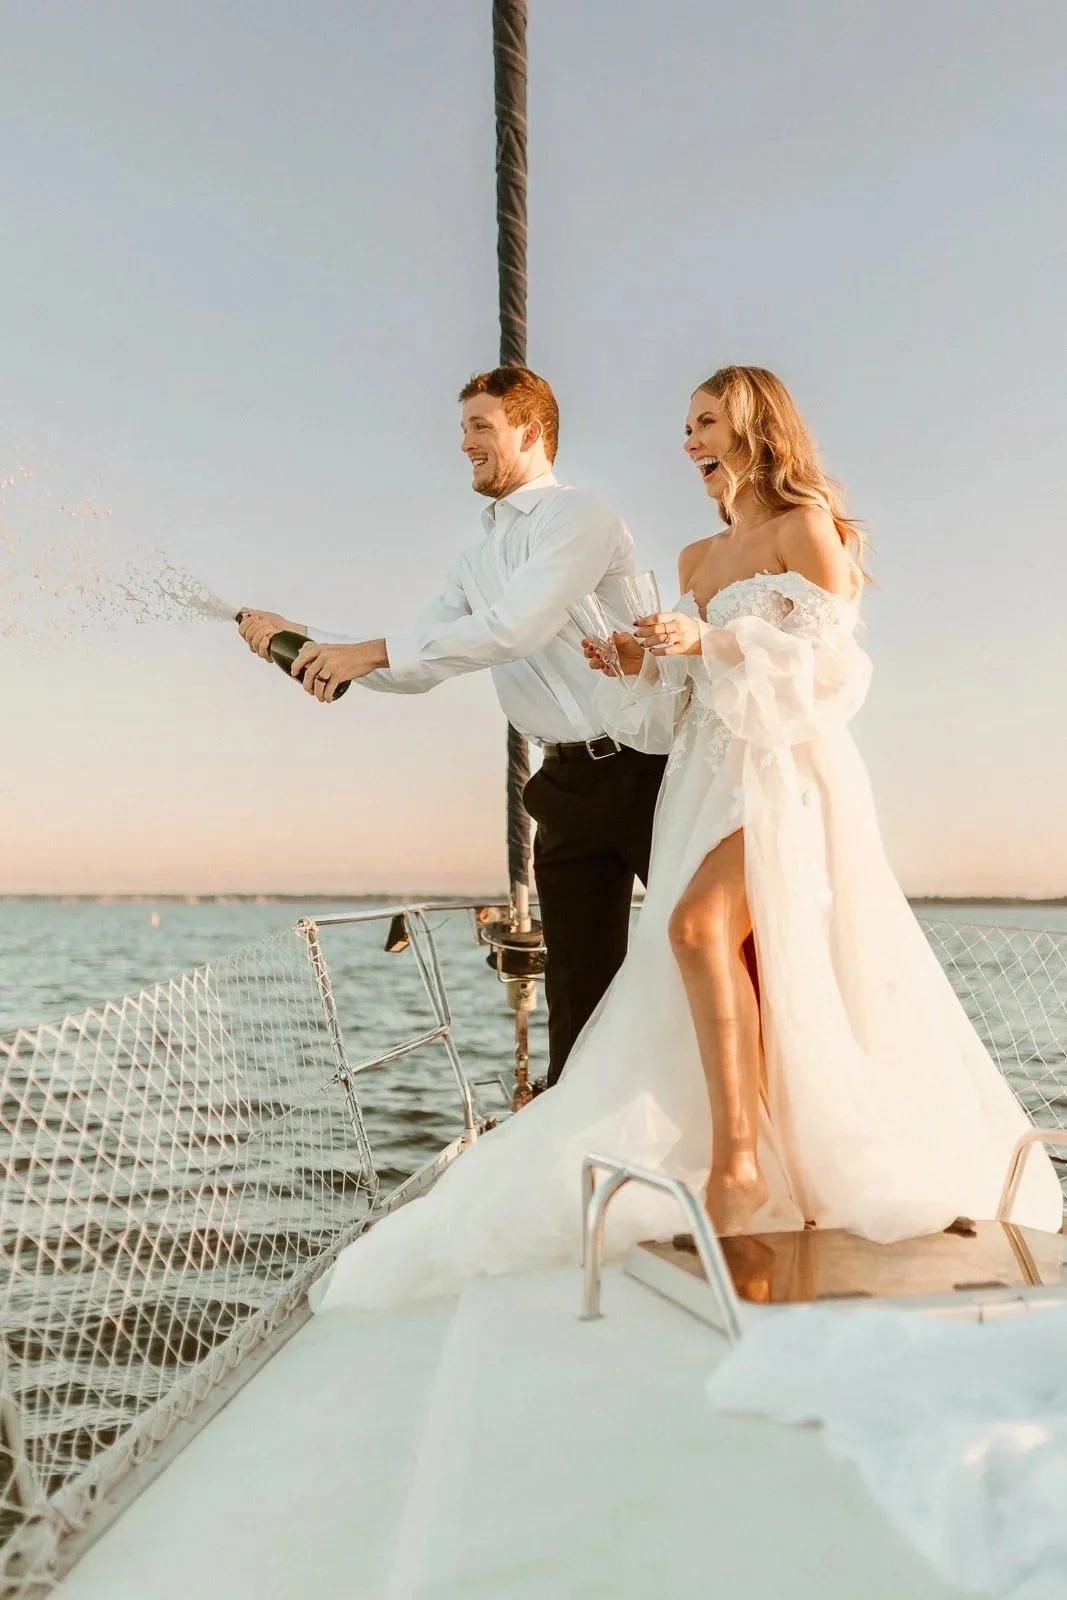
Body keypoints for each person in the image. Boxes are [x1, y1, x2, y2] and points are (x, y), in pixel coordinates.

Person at [309, 363, 1062, 1314]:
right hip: (704, 776)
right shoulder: (699, 561)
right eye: (686, 426)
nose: (689, 440)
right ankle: (759, 1147)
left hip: (788, 773)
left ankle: (742, 1161)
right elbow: (672, 707)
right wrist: (638, 658)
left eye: (706, 423)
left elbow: (834, 674)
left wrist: (706, 643)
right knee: (742, 960)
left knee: (699, 932)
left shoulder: (807, 531)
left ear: (753, 429)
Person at [236, 367, 667, 1084]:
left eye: (480, 427)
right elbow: (416, 662)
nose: (463, 443)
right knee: (577, 999)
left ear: (531, 431)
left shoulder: (578, 516)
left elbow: (515, 628)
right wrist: (303, 640)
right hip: (562, 786)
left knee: (708, 957)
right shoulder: (476, 557)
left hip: (649, 768)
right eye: (462, 428)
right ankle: (574, 1153)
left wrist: (363, 651)